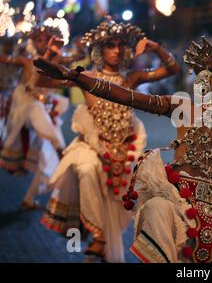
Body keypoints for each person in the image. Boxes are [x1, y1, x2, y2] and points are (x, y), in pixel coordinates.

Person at [33, 30, 212, 263]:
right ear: (207, 80)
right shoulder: (183, 107)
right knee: (155, 209)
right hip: (176, 204)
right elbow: (128, 97)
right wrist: (77, 77)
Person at [39, 17, 181, 263]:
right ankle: (98, 235)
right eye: (109, 45)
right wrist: (54, 56)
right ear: (99, 49)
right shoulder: (86, 76)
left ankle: (103, 242)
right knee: (84, 168)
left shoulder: (132, 78)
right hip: (93, 147)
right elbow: (42, 80)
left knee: (119, 209)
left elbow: (172, 70)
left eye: (120, 45)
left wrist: (155, 48)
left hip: (125, 153)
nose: (116, 50)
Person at [0, 24, 73, 210]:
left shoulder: (58, 60)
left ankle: (29, 199)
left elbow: (76, 57)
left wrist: (81, 49)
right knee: (35, 107)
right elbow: (7, 58)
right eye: (39, 40)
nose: (42, 43)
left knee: (47, 161)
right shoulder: (27, 61)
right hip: (26, 112)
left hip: (47, 114)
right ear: (33, 41)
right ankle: (58, 145)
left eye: (46, 39)